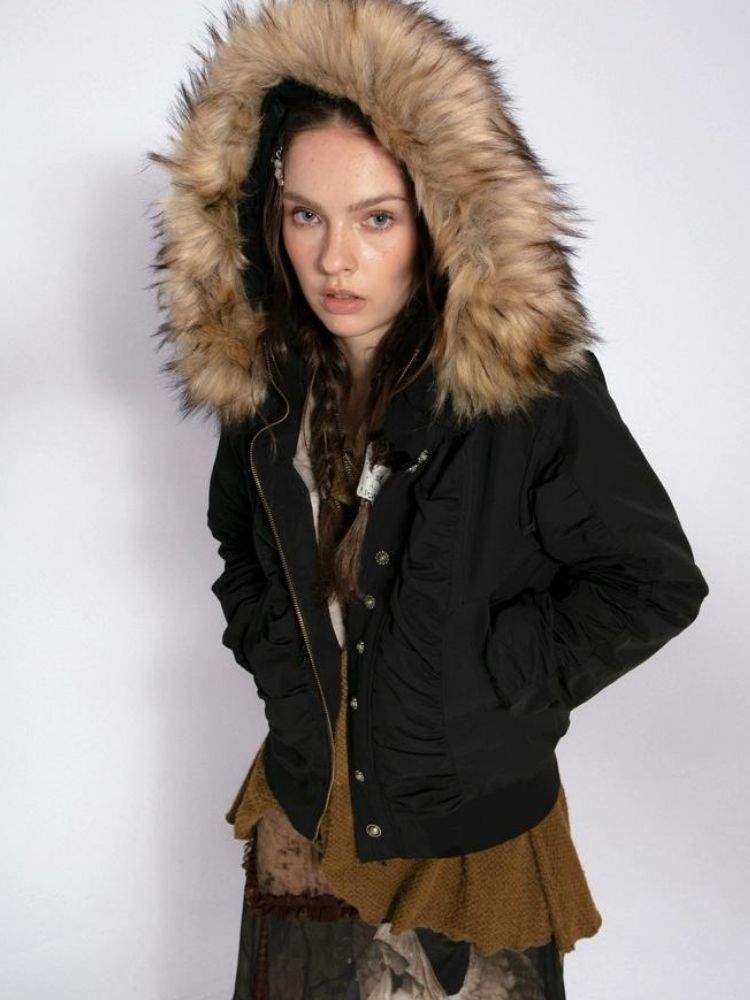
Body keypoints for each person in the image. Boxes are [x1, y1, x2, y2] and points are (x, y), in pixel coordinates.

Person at [148, 0, 709, 996]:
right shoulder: (267, 387)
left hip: (468, 847)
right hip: (305, 816)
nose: (335, 259)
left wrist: (493, 674)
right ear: (267, 217)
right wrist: (278, 656)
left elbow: (652, 581)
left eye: (376, 217)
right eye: (306, 215)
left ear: (440, 218)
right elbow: (240, 542)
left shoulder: (527, 394)